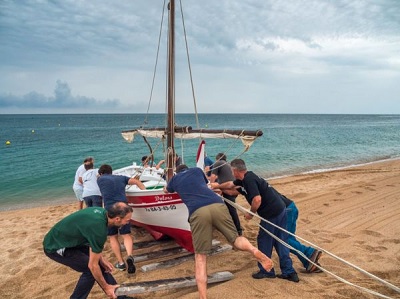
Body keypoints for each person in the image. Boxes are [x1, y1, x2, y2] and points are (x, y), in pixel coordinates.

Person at [165, 164, 273, 299]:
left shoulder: (175, 179)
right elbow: (205, 184)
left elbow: (167, 190)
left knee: (200, 257)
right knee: (235, 238)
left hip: (198, 211)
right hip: (217, 204)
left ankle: (203, 297)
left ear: (177, 172)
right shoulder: (197, 171)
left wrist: (170, 183)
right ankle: (253, 250)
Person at [213, 158, 300, 282]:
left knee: (264, 240)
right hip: (280, 209)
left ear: (236, 170)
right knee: (280, 241)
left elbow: (257, 199)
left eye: (232, 171)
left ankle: (266, 271)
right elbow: (230, 186)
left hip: (271, 214)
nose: (231, 173)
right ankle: (289, 272)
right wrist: (217, 187)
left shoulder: (248, 180)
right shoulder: (246, 178)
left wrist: (251, 213)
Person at [43, 202, 133, 299]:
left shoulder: (102, 212)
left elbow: (91, 238)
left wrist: (101, 259)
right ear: (117, 219)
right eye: (127, 220)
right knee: (90, 270)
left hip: (72, 241)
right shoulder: (99, 229)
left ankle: (119, 297)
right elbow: (92, 266)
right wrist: (106, 288)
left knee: (101, 266)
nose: (127, 223)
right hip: (56, 246)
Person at [97, 164, 146, 274]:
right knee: (126, 235)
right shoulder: (121, 177)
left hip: (110, 210)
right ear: (111, 172)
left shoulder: (100, 179)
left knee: (113, 237)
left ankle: (121, 263)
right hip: (124, 208)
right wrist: (144, 192)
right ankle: (129, 256)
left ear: (101, 173)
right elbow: (137, 182)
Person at [281, 195, 323, 273]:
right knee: (290, 239)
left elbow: (257, 200)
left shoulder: (253, 184)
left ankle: (310, 252)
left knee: (284, 240)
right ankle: (309, 262)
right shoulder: (262, 185)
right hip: (291, 206)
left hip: (287, 210)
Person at [209, 153, 243, 235]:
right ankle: (232, 226)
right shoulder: (227, 164)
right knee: (228, 208)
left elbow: (213, 177)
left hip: (229, 188)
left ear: (217, 159)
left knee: (231, 209)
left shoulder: (218, 163)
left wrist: (210, 186)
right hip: (234, 188)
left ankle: (238, 230)